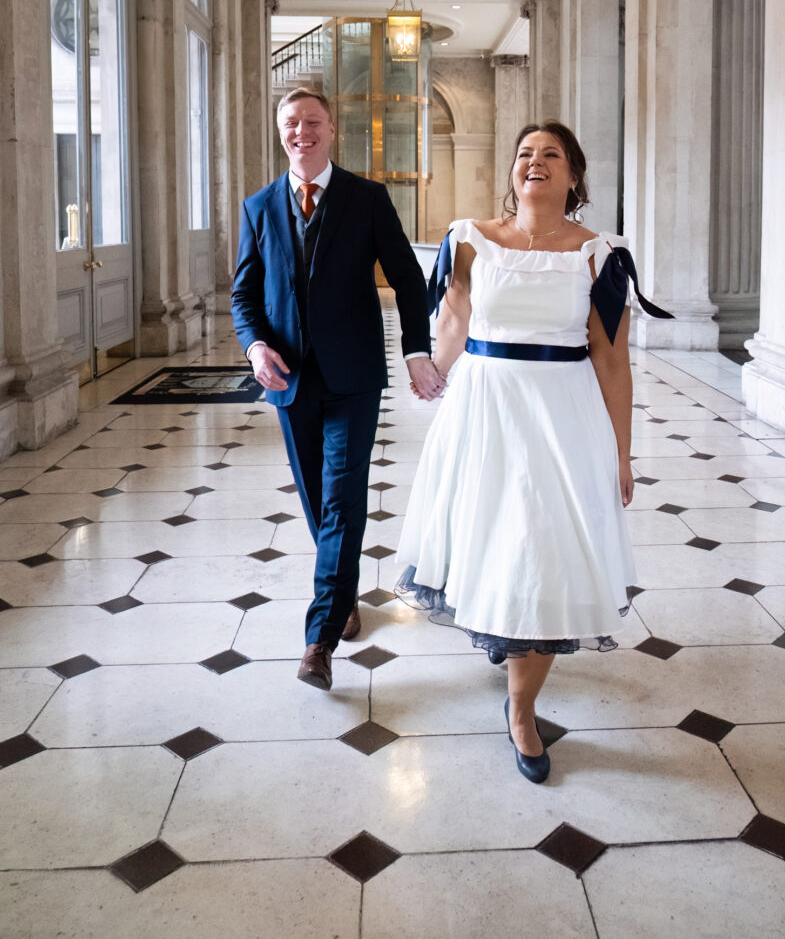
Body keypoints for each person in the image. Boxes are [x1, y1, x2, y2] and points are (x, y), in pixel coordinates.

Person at [396, 121, 671, 783]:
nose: (535, 162)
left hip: (563, 415)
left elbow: (610, 359)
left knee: (542, 552)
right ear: (512, 172)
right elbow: (456, 319)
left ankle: (522, 711)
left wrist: (622, 453)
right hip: (486, 409)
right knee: (496, 542)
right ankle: (510, 640)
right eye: (525, 153)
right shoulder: (470, 240)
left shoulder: (600, 254)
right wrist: (432, 367)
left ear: (574, 176)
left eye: (551, 154)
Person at [232, 87, 445, 692]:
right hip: (290, 379)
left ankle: (318, 640)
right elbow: (244, 296)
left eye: (313, 122)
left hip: (354, 375)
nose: (302, 131)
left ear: (333, 130)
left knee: (344, 498)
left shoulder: (368, 199)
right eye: (291, 123)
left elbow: (407, 278)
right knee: (316, 497)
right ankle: (343, 588)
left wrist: (415, 352)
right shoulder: (259, 207)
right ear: (282, 134)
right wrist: (254, 347)